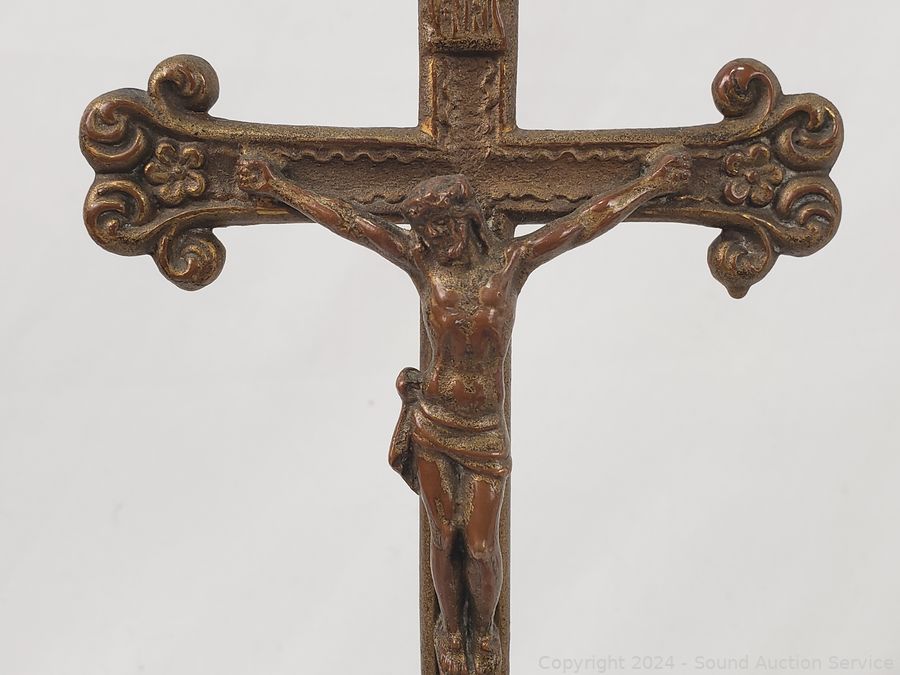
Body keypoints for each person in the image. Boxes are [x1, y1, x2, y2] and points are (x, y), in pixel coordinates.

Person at [237, 148, 691, 674]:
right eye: (426, 231)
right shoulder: (423, 264)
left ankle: (484, 629)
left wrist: (651, 184)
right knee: (444, 533)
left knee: (479, 546)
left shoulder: (511, 264)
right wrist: (277, 185)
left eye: (442, 227)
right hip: (433, 419)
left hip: (484, 428)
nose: (435, 240)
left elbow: (584, 224)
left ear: (468, 218)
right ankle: (452, 631)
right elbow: (353, 224)